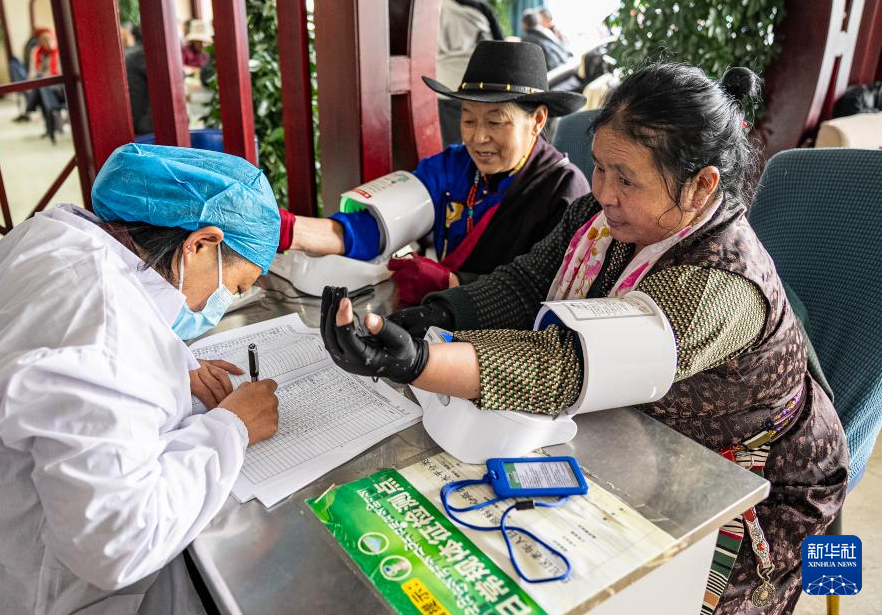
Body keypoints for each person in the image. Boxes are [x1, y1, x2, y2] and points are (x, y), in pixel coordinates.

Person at [320, 64, 848, 614]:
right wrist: (433, 315)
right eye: (599, 167)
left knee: (658, 597)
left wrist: (420, 363)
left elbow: (571, 362)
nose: (602, 192)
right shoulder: (603, 218)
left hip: (758, 475)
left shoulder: (719, 286)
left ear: (701, 186)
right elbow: (528, 283)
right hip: (642, 432)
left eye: (627, 179)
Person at [0, 144, 283, 615]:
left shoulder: (54, 236)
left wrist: (169, 366)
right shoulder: (103, 330)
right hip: (1, 593)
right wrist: (232, 428)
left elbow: (48, 355)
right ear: (199, 245)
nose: (221, 304)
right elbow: (119, 544)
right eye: (234, 287)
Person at [278, 40, 589, 304]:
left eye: (495, 122)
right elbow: (371, 228)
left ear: (537, 120)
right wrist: (287, 230)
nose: (478, 137)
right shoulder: (454, 166)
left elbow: (551, 292)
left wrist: (453, 283)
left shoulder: (564, 189)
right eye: (468, 120)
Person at [436, 0, 505, 145]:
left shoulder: (435, 10)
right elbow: (500, 47)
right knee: (482, 139)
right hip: (480, 86)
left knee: (453, 142)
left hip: (445, 88)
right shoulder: (481, 7)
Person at [520, 8, 573, 72]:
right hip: (563, 66)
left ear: (525, 24)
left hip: (552, 72)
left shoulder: (527, 39)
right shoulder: (546, 31)